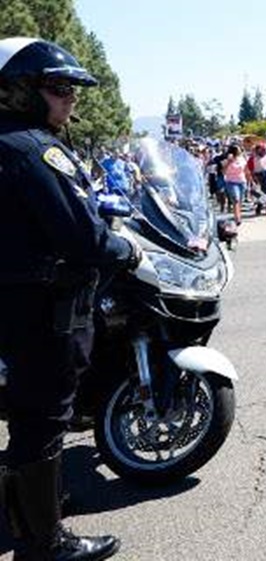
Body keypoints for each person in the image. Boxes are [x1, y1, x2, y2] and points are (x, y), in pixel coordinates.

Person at [0, 37, 140, 560]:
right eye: (59, 88)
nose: (71, 100)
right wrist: (124, 249)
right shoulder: (36, 148)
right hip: (43, 308)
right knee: (42, 419)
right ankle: (44, 544)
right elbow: (83, 237)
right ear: (18, 91)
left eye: (72, 90)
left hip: (15, 302)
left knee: (26, 417)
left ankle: (32, 512)